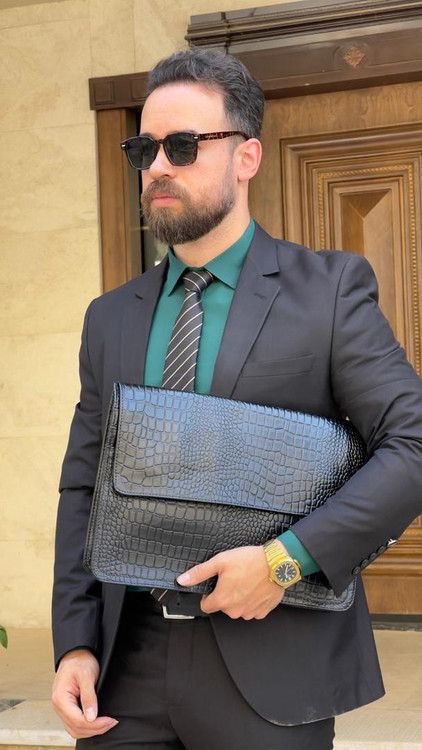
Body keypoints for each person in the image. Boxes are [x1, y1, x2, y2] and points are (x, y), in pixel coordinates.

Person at [52, 49, 422, 750]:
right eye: (144, 149)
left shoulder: (330, 291)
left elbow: (413, 446)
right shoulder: (110, 317)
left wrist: (286, 560)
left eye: (183, 146)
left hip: (273, 666)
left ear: (247, 156)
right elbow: (83, 485)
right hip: (124, 673)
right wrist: (75, 642)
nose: (158, 167)